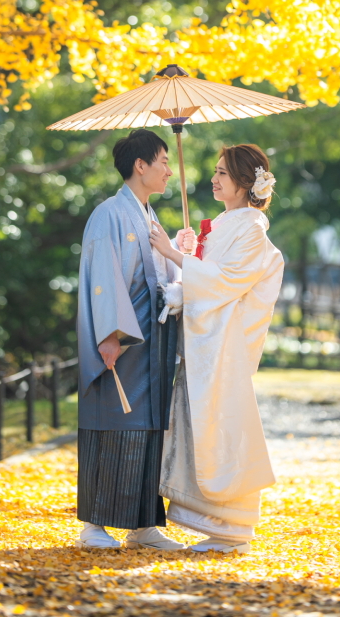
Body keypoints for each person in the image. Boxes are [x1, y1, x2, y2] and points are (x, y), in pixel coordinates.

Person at [149, 143, 284, 554]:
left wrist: (174, 253)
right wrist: (188, 251)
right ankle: (217, 525)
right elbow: (205, 274)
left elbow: (225, 282)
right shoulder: (227, 222)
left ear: (246, 183)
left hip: (225, 345)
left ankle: (235, 528)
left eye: (223, 173)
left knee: (225, 428)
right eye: (216, 170)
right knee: (202, 427)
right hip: (208, 341)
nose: (214, 178)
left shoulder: (251, 228)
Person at [76, 128, 185, 550]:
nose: (169, 172)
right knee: (114, 424)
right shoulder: (109, 213)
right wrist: (110, 334)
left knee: (149, 427)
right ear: (140, 166)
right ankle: (95, 525)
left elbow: (160, 279)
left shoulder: (148, 215)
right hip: (123, 342)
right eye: (163, 163)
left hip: (153, 342)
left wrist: (179, 250)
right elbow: (103, 280)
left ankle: (143, 524)